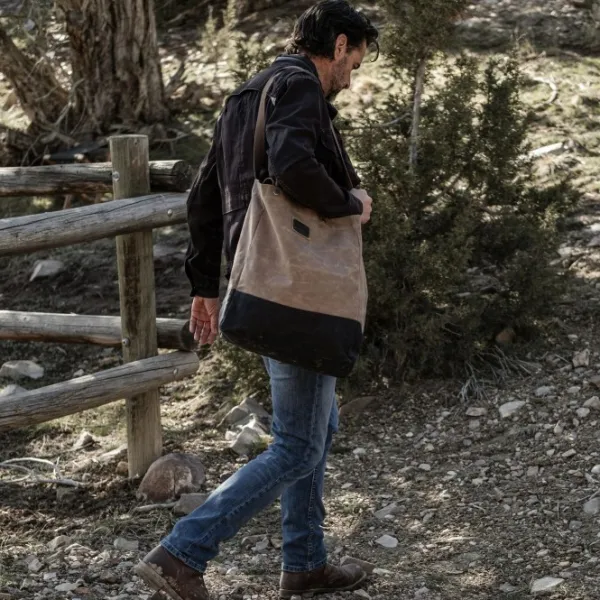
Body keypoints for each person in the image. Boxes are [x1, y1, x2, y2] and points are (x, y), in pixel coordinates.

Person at [134, 2, 378, 598]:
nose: (352, 78)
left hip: (261, 283)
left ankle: (305, 562)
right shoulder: (300, 88)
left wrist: (204, 285)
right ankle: (181, 553)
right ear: (338, 45)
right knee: (299, 443)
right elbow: (293, 165)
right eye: (355, 62)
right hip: (299, 287)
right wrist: (350, 203)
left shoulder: (247, 95)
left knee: (317, 426)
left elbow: (202, 195)